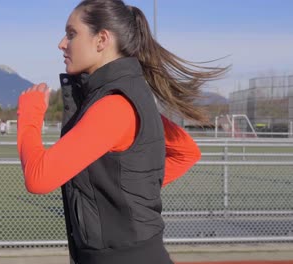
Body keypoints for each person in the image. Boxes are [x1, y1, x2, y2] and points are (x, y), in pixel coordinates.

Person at [16, 1, 229, 263]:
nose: (62, 43)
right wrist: (128, 187)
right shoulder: (126, 98)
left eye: (71, 34)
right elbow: (186, 151)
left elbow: (39, 178)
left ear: (102, 39)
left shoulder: (114, 106)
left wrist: (28, 117)